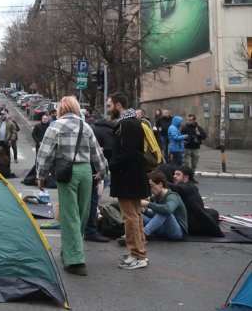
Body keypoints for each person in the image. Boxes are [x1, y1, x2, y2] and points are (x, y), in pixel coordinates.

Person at [36, 96, 108, 276]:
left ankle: (75, 260)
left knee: (69, 215)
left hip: (67, 171)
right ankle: (71, 249)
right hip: (85, 171)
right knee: (82, 213)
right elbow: (97, 153)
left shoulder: (55, 126)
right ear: (76, 108)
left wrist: (41, 176)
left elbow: (45, 154)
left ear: (61, 108)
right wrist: (104, 173)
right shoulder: (86, 127)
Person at [107, 92, 150, 270]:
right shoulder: (130, 121)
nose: (108, 109)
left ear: (118, 105)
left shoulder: (127, 123)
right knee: (135, 216)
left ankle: (138, 255)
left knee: (130, 217)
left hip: (128, 176)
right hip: (131, 175)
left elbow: (128, 152)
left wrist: (111, 164)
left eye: (110, 106)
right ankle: (138, 252)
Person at [169, 166, 222, 237]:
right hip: (190, 221)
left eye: (178, 175)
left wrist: (163, 182)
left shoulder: (189, 187)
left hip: (191, 224)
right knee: (212, 213)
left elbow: (177, 188)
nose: (174, 176)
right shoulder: (186, 187)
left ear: (186, 178)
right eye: (174, 174)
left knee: (213, 212)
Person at [139, 171, 187, 241]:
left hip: (177, 232)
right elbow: (156, 218)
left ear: (160, 184)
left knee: (165, 210)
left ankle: (143, 234)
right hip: (162, 229)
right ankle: (131, 235)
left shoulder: (173, 196)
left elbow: (167, 210)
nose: (149, 190)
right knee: (137, 214)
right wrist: (144, 211)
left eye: (151, 186)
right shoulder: (157, 196)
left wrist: (147, 204)